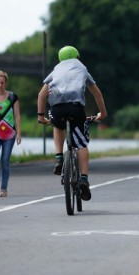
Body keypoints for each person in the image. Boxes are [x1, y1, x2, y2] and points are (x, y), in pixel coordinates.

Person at [37, 45, 107, 201]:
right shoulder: (81, 68)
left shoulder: (56, 70)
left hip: (57, 109)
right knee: (81, 144)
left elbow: (41, 95)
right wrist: (103, 112)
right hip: (76, 108)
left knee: (57, 125)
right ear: (77, 57)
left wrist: (41, 116)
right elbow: (97, 93)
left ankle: (59, 157)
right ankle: (83, 178)